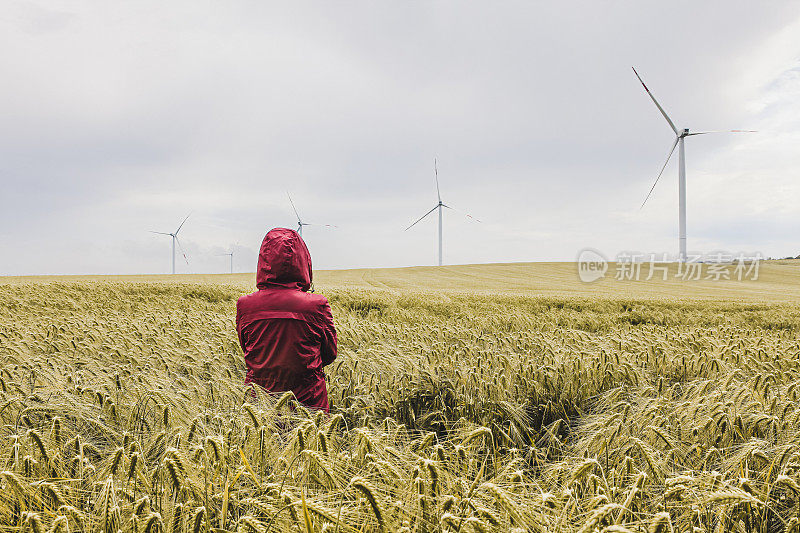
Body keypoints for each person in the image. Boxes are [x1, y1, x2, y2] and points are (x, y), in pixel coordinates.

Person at [236, 228, 337, 412]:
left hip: (260, 406)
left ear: (264, 261)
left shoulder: (245, 305)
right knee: (311, 441)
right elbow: (330, 354)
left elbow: (248, 350)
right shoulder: (317, 305)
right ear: (303, 261)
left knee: (261, 441)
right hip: (309, 403)